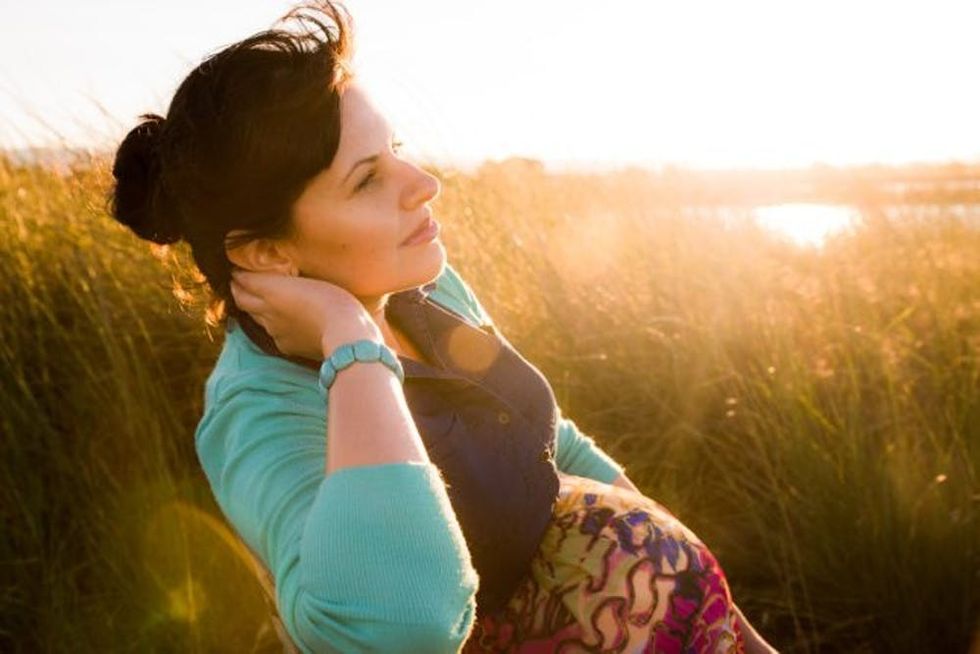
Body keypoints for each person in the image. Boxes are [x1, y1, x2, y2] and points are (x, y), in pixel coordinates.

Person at [109, 2, 778, 652]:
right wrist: (352, 342)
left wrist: (736, 627)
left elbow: (555, 447)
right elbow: (406, 625)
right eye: (368, 179)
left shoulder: (421, 287)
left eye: (397, 149)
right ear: (266, 252)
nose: (424, 182)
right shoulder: (257, 417)